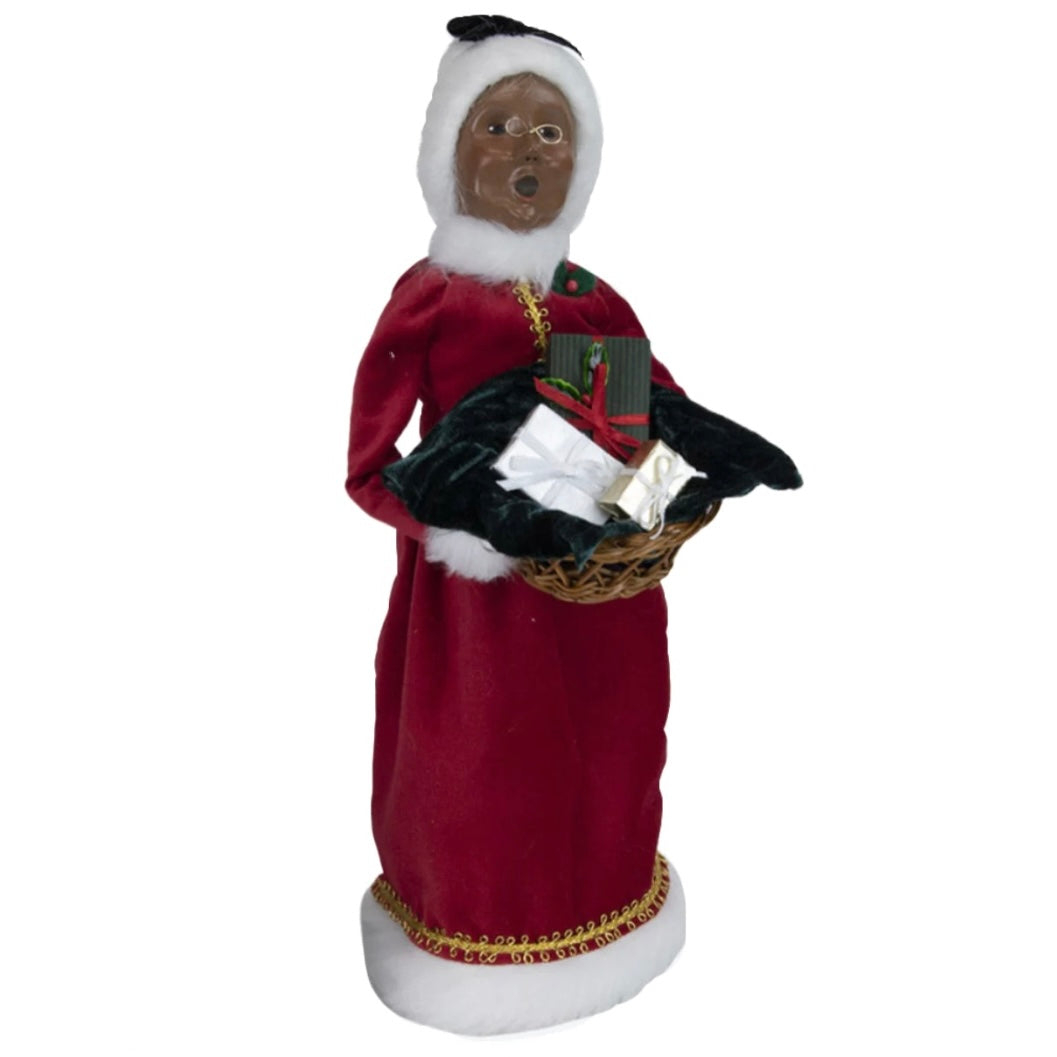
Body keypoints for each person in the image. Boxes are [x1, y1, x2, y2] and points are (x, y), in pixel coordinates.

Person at [346, 16, 686, 1035]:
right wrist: (460, 533)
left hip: (604, 596)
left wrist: (657, 508)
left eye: (550, 132)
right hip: (478, 612)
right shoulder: (430, 301)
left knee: (612, 745)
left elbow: (656, 416)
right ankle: (476, 926)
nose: (524, 152)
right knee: (479, 770)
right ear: (447, 152)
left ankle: (604, 904)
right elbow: (368, 466)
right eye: (495, 127)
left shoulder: (597, 303)